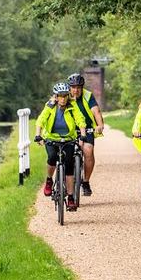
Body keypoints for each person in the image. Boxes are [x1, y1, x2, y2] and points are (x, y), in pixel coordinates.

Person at [34, 82, 84, 211]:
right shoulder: (50, 106)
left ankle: (71, 197)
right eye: (60, 96)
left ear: (68, 96)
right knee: (51, 157)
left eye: (65, 96)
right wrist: (38, 135)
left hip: (68, 139)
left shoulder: (72, 106)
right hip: (52, 138)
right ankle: (49, 180)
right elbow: (41, 120)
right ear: (56, 96)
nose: (62, 99)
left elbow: (80, 120)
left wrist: (82, 135)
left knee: (69, 165)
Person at [67, 72, 105, 196]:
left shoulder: (88, 96)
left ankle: (85, 181)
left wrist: (100, 125)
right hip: (69, 130)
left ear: (82, 87)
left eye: (78, 87)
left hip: (87, 129)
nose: (76, 90)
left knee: (88, 151)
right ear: (69, 88)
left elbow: (96, 111)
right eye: (73, 87)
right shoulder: (64, 96)